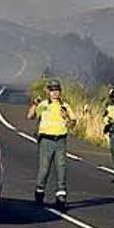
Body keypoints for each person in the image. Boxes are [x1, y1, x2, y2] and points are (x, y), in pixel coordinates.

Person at [27, 79, 76, 210]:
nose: (54, 93)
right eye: (52, 90)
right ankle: (39, 191)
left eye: (57, 90)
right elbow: (30, 116)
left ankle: (61, 195)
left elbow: (73, 123)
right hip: (46, 140)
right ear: (48, 92)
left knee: (61, 167)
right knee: (44, 167)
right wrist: (34, 104)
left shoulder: (65, 106)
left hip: (60, 139)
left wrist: (66, 117)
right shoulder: (43, 105)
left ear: (60, 92)